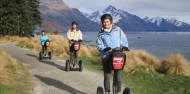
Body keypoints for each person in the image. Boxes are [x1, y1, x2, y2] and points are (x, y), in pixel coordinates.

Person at [96, 14, 129, 94]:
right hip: (106, 57)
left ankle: (118, 92)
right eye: (104, 22)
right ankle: (107, 92)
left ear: (111, 22)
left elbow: (124, 39)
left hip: (117, 56)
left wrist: (124, 46)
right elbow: (98, 44)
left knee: (118, 76)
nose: (106, 23)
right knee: (107, 76)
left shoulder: (117, 30)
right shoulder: (100, 33)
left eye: (107, 21)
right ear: (102, 23)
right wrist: (104, 49)